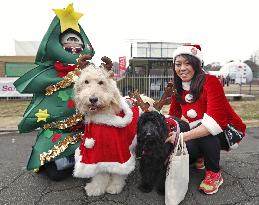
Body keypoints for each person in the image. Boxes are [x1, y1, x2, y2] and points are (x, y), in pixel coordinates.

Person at [165, 44, 246, 195]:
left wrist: (181, 137)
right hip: (201, 128)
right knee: (183, 131)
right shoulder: (178, 87)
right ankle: (201, 156)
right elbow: (174, 117)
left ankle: (214, 173)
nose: (182, 68)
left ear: (197, 64)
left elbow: (215, 122)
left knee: (205, 130)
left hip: (228, 129)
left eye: (187, 63)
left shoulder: (210, 82)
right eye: (178, 64)